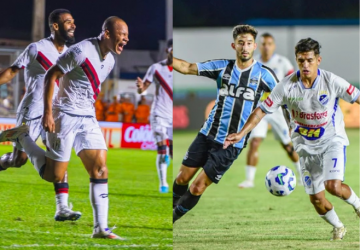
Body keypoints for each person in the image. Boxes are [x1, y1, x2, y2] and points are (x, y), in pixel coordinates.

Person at [0, 16, 129, 240]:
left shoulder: (110, 61)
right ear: (107, 33)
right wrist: (49, 113)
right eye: (122, 35)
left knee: (100, 168)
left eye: (127, 36)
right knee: (53, 174)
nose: (126, 39)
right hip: (64, 116)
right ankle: (24, 138)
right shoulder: (80, 51)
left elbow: (88, 88)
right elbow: (52, 75)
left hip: (87, 117)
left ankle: (100, 228)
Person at [224, 38, 360, 240]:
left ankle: (358, 206)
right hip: (304, 147)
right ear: (296, 60)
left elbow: (357, 97)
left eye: (309, 60)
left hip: (332, 141)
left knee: (333, 186)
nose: (305, 65)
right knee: (316, 199)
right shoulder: (286, 86)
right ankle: (338, 226)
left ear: (318, 60)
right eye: (301, 60)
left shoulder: (331, 81)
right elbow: (261, 110)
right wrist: (242, 133)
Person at [172, 25, 278, 223]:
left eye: (248, 44)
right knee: (181, 179)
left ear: (254, 46)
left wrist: (293, 124)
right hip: (206, 134)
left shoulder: (265, 75)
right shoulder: (222, 67)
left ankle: (172, 220)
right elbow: (186, 68)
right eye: (240, 43)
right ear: (234, 45)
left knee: (197, 187)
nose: (244, 47)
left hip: (231, 144)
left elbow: (283, 98)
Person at [0, 9, 81, 222]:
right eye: (68, 22)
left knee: (59, 156)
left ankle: (62, 208)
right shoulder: (36, 48)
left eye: (73, 22)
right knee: (19, 161)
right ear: (55, 26)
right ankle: (3, 160)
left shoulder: (71, 53)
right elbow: (12, 70)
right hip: (32, 111)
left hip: (56, 112)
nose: (73, 25)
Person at [238, 33, 302, 188]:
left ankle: (302, 176)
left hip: (278, 110)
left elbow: (294, 83)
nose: (266, 46)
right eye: (263, 43)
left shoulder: (282, 62)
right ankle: (249, 180)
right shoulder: (253, 63)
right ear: (259, 46)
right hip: (259, 109)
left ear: (273, 46)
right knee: (254, 143)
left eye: (269, 43)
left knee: (288, 145)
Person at [136, 39, 173, 193]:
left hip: (173, 117)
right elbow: (143, 88)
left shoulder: (182, 68)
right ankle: (163, 183)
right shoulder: (156, 68)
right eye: (173, 49)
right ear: (167, 50)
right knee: (162, 147)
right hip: (158, 113)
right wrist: (140, 88)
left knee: (171, 153)